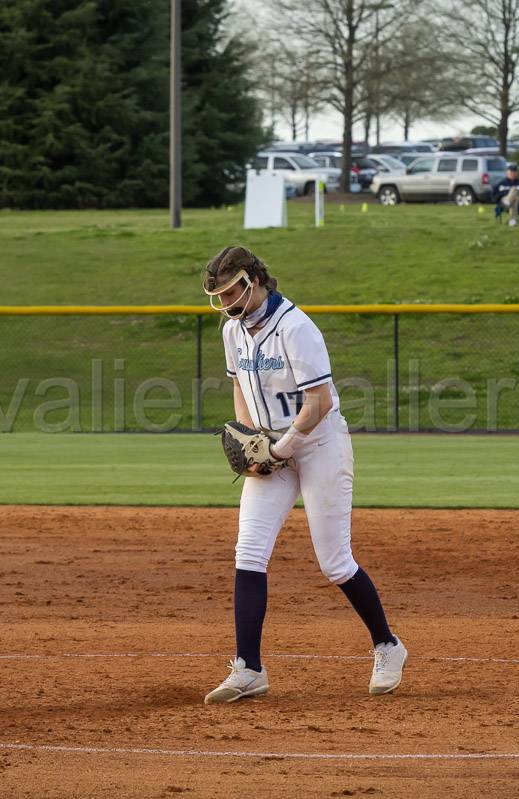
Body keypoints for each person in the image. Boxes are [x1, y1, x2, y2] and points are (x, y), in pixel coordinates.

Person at [201, 245, 406, 703]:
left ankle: (388, 646)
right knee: (249, 551)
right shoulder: (232, 330)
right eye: (219, 294)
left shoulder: (295, 327)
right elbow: (239, 386)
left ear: (254, 281)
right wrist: (252, 442)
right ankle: (249, 668)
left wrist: (280, 447)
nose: (226, 301)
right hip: (272, 447)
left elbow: (320, 404)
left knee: (335, 561)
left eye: (232, 290)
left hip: (319, 445)